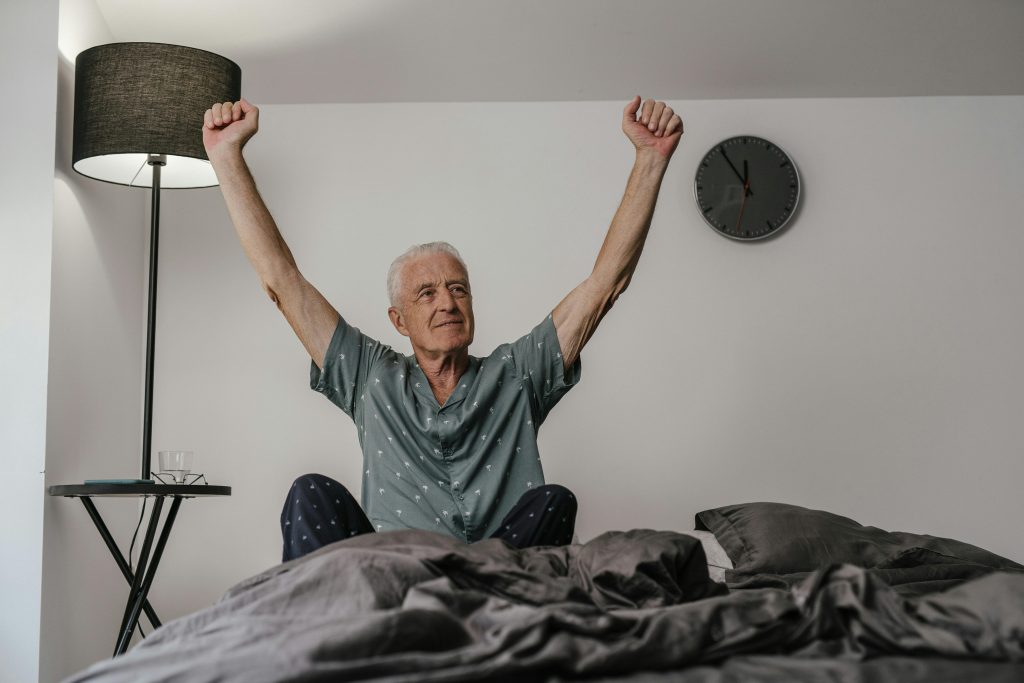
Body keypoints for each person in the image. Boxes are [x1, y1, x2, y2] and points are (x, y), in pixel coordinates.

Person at [202, 96, 683, 561]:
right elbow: (282, 283)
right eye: (426, 294)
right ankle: (324, 624)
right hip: (392, 570)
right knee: (310, 492)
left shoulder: (517, 373)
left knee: (555, 500)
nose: (448, 303)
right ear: (399, 320)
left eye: (458, 289)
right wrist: (227, 158)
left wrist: (650, 160)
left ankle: (483, 612)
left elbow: (605, 285)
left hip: (500, 572)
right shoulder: (369, 375)